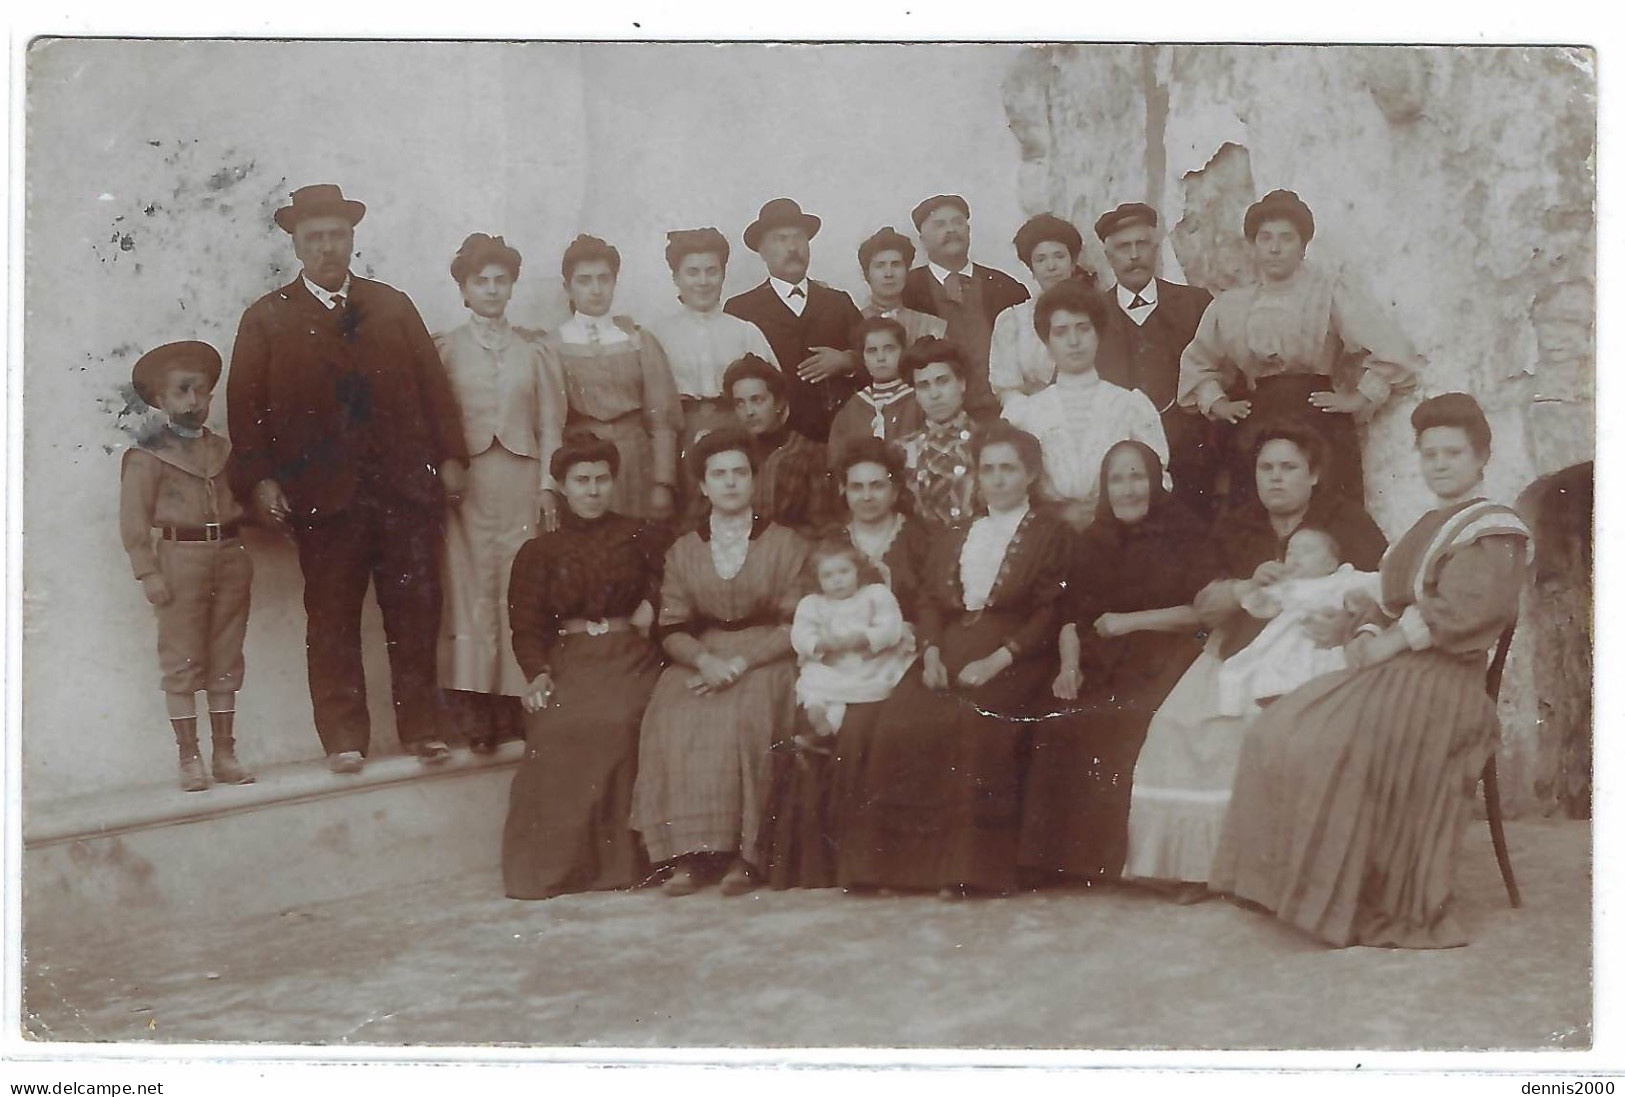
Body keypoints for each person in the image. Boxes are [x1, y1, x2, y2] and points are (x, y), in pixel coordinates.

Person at [1210, 393, 1533, 948]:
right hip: (1400, 671)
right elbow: (1385, 599)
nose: (1439, 464)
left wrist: (1380, 649)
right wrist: (1357, 632)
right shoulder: (1430, 523)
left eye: (1453, 453)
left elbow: (1464, 612)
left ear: (1481, 458)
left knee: (1329, 740)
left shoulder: (1493, 527)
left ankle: (1351, 893)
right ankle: (1287, 886)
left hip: (1445, 683)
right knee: (1281, 726)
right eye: (1430, 454)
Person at [227, 183, 468, 773]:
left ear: (352, 238)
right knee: (331, 619)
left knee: (415, 610)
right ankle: (343, 739)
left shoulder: (391, 305)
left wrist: (452, 456)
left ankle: (424, 728)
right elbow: (244, 411)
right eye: (315, 238)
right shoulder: (266, 319)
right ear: (297, 245)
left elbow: (434, 388)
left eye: (336, 235)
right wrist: (260, 482)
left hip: (404, 490)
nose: (327, 247)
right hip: (324, 498)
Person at [1120, 421, 1387, 900]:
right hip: (1239, 647)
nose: (1275, 478)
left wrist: (1347, 625)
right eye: (1266, 468)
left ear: (1315, 475)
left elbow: (1382, 592)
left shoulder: (1348, 522)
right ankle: (1196, 867)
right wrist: (1244, 586)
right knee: (1179, 724)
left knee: (1276, 728)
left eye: (1289, 468)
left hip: (1318, 650)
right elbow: (1203, 601)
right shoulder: (1236, 524)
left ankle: (1270, 872)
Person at [841, 423, 1071, 897]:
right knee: (899, 720)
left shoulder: (1051, 533)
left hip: (1018, 653)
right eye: (988, 470)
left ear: (1030, 475)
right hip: (947, 646)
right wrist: (928, 654)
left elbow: (1052, 611)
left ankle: (965, 870)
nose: (997, 480)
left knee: (974, 725)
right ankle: (895, 868)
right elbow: (929, 601)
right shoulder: (958, 532)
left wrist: (997, 661)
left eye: (1009, 469)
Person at [1017, 441, 1216, 884]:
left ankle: (1124, 865)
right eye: (1117, 479)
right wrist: (1069, 668)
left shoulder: (1187, 534)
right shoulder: (1092, 540)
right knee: (1059, 721)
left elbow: (1199, 613)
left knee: (1126, 721)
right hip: (1100, 658)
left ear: (1154, 481)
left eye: (1136, 476)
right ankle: (1066, 864)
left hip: (1168, 654)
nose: (1127, 490)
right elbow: (1072, 617)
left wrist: (1129, 622)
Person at [630, 427, 810, 898]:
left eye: (740, 473)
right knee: (672, 711)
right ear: (703, 486)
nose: (730, 483)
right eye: (718, 475)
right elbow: (670, 626)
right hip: (703, 652)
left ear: (754, 480)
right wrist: (706, 660)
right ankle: (689, 856)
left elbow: (796, 621)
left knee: (745, 713)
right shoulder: (684, 549)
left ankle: (743, 856)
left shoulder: (787, 543)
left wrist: (742, 662)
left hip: (768, 652)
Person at [760, 438, 932, 891]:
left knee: (881, 727)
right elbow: (802, 607)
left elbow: (933, 601)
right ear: (844, 492)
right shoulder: (829, 543)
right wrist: (822, 642)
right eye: (857, 486)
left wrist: (912, 634)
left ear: (896, 490)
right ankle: (829, 864)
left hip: (896, 653)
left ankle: (882, 864)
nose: (867, 495)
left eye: (878, 485)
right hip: (836, 662)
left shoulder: (916, 536)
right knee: (822, 721)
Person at [1177, 188, 1421, 506]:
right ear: (1252, 246)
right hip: (1257, 424)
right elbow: (1198, 362)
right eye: (1265, 238)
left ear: (1303, 247)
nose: (1275, 248)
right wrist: (1218, 402)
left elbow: (1391, 348)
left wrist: (1359, 398)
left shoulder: (1328, 291)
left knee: (1327, 517)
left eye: (1286, 238)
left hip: (1320, 422)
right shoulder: (1231, 304)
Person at [501, 438, 669, 900]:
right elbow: (526, 625)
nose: (593, 491)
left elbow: (676, 579)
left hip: (630, 655)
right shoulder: (539, 552)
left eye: (601, 480)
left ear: (613, 483)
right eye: (582, 481)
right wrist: (537, 673)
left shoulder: (642, 535)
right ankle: (560, 867)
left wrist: (652, 605)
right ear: (562, 487)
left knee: (618, 722)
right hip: (571, 659)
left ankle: (623, 864)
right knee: (557, 726)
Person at [434, 232, 566, 753]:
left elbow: (552, 423)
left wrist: (548, 486)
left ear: (511, 286)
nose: (491, 290)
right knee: (468, 588)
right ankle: (474, 706)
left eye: (500, 281)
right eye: (480, 282)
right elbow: (436, 422)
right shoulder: (446, 349)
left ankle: (518, 702)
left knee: (518, 586)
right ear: (464, 291)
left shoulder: (536, 350)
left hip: (520, 481)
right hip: (468, 486)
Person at [120, 341, 255, 792]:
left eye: (200, 391)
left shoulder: (223, 451)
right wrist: (148, 572)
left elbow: (245, 500)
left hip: (230, 558)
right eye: (181, 392)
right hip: (180, 559)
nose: (192, 402)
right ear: (159, 399)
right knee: (181, 658)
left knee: (226, 654)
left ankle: (225, 753)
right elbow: (134, 520)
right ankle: (189, 757)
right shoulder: (149, 454)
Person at [1001, 282, 1169, 529]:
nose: (1073, 341)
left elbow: (1158, 481)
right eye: (1060, 332)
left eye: (1083, 329)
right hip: (1048, 540)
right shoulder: (1025, 413)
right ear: (1046, 341)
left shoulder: (1130, 405)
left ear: (1098, 335)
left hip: (1119, 538)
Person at [1091, 203, 1220, 522]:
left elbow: (1223, 374)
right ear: (1109, 257)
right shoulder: (1091, 316)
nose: (1134, 255)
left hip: (1193, 460)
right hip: (1122, 466)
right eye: (1123, 247)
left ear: (1155, 248)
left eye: (1142, 244)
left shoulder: (1195, 304)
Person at [546, 234, 682, 523]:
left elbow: (663, 419)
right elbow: (550, 422)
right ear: (567, 288)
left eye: (604, 279)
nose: (596, 289)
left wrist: (663, 481)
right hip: (582, 465)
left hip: (636, 460)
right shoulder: (553, 346)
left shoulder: (638, 340)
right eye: (584, 281)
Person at [725, 198, 865, 442]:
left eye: (798, 237)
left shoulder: (838, 302)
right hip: (774, 440)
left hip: (838, 434)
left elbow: (873, 358)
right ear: (762, 251)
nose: (792, 247)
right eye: (780, 239)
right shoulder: (741, 309)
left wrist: (846, 361)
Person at [645, 227, 781, 467]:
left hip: (738, 436)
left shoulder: (745, 331)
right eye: (692, 272)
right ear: (676, 278)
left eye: (712, 271)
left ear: (723, 274)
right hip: (679, 440)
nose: (703, 281)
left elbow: (774, 395)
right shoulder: (657, 334)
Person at [1213, 527, 1373, 718]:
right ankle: (1271, 698)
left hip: (1325, 639)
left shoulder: (1346, 579)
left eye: (1306, 551)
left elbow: (1377, 587)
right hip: (1287, 637)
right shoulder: (1287, 586)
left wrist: (1360, 603)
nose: (1296, 557)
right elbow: (1267, 607)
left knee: (1322, 671)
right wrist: (1254, 596)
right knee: (1265, 665)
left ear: (1330, 563)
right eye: (1290, 552)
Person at [900, 194, 1030, 418]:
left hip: (1002, 413)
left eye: (958, 222)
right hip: (936, 417)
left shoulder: (1007, 288)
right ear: (922, 240)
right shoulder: (906, 291)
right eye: (939, 224)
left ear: (968, 231)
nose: (951, 230)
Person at [790, 542, 915, 742]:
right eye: (828, 576)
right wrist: (819, 643)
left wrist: (865, 637)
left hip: (868, 662)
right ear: (817, 579)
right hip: (832, 663)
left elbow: (891, 626)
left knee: (853, 695)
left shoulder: (875, 595)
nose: (837, 580)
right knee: (815, 681)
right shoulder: (812, 604)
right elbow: (800, 634)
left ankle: (826, 731)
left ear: (858, 571)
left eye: (844, 571)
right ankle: (817, 714)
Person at [988, 213, 1095, 406]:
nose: (1051, 266)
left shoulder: (1098, 313)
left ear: (1072, 263)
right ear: (1032, 268)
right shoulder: (1013, 320)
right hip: (1033, 418)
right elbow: (1007, 390)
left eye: (1059, 256)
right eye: (1041, 259)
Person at [722, 353, 834, 537]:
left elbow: (822, 526)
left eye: (757, 400)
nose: (749, 412)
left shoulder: (810, 454)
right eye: (740, 403)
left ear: (779, 402)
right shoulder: (728, 454)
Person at [894, 337, 980, 533]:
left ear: (962, 383)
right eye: (924, 386)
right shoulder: (902, 451)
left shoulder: (988, 442)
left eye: (942, 381)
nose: (934, 394)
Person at [824, 315, 924, 469]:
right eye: (872, 351)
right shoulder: (852, 410)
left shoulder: (918, 403)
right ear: (863, 359)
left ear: (903, 353)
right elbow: (837, 464)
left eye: (889, 349)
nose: (881, 357)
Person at [856, 226, 948, 345]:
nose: (889, 274)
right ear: (867, 274)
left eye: (896, 265)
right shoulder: (855, 322)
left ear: (907, 271)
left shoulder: (932, 327)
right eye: (879, 265)